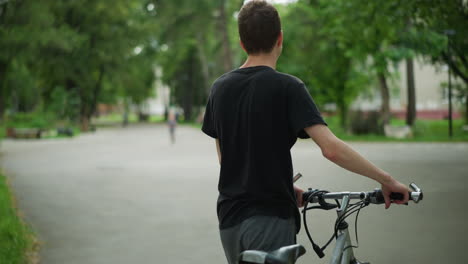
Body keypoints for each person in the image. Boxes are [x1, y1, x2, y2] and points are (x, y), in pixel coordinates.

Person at [201, 1, 409, 263]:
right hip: (269, 219)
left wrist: (284, 183)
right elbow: (331, 149)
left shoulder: (220, 88)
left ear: (242, 43)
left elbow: (228, 158)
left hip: (230, 221)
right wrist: (387, 180)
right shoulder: (288, 87)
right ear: (280, 38)